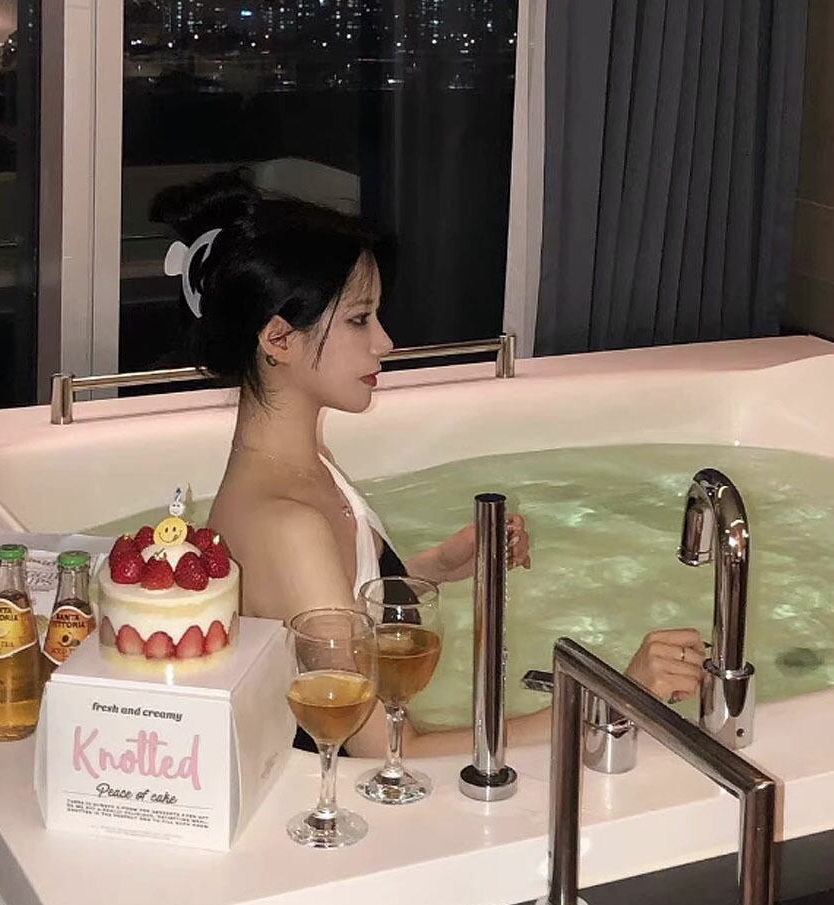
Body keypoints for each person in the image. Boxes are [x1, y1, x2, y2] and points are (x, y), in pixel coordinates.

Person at [152, 171, 706, 755]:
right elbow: (387, 752)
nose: (385, 342)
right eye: (360, 319)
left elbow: (328, 603)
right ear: (279, 339)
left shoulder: (298, 468)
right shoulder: (288, 524)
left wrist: (435, 566)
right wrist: (613, 699)